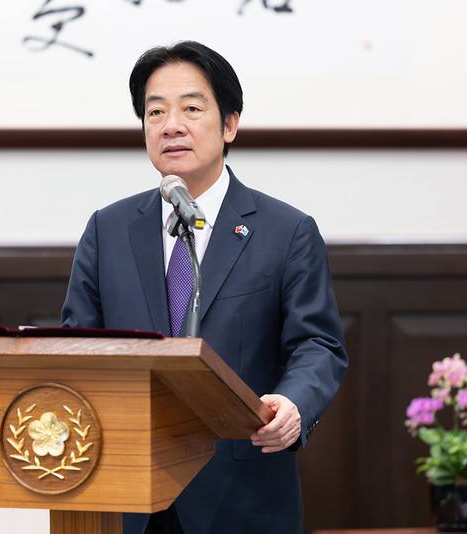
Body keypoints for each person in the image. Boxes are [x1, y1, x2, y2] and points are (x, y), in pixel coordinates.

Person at [62, 40, 348, 534]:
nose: (171, 125)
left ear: (230, 124)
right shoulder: (107, 229)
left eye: (191, 109)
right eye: (155, 112)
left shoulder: (286, 231)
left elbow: (318, 344)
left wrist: (294, 403)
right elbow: (76, 346)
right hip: (127, 493)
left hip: (240, 496)